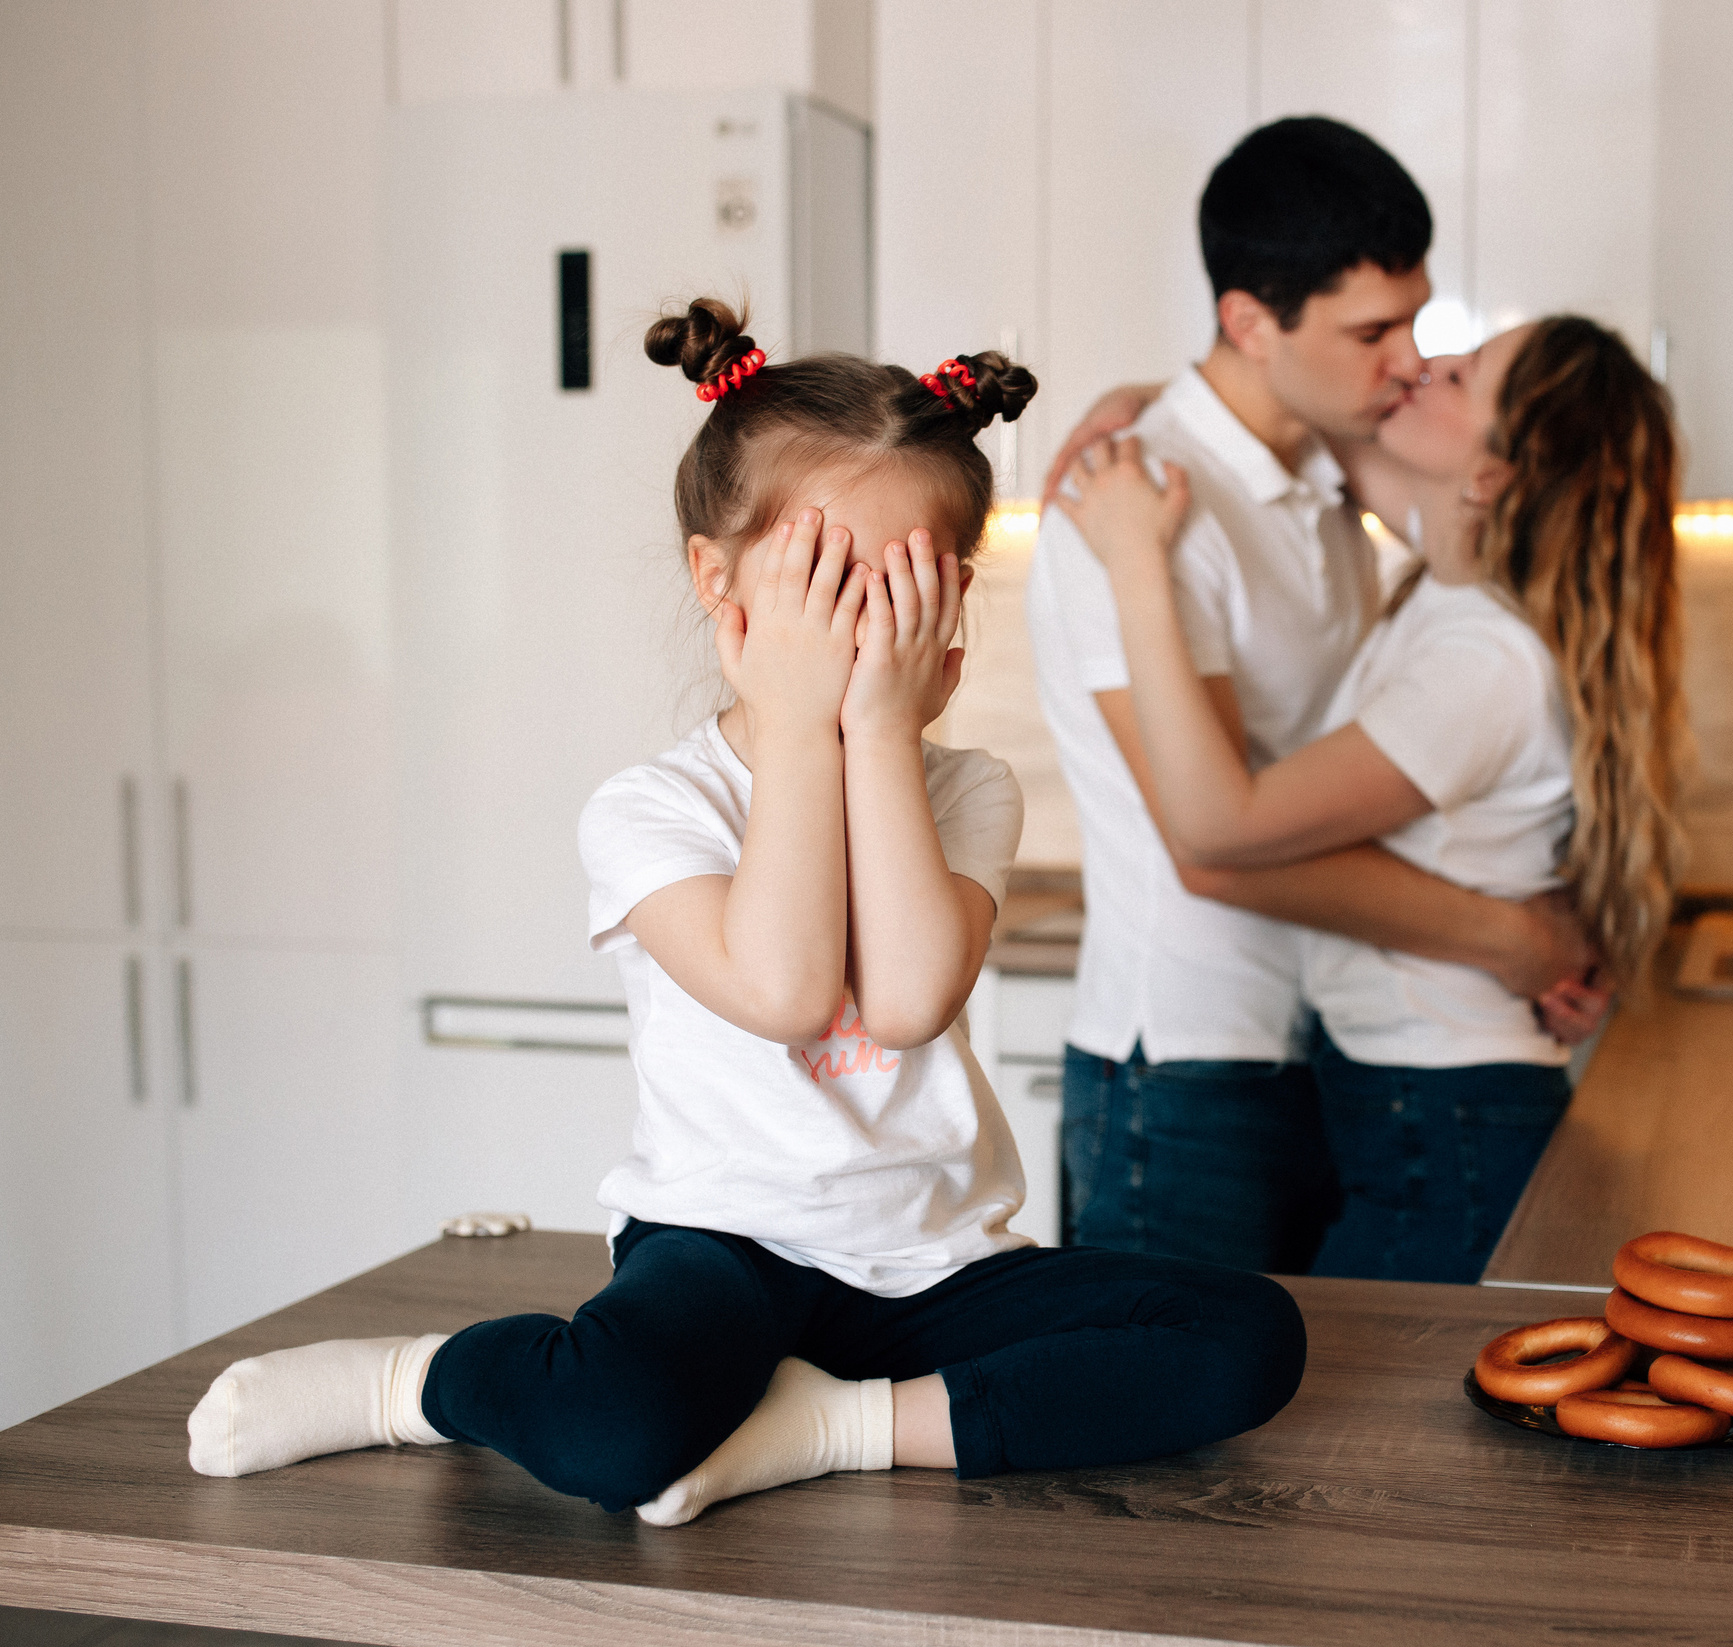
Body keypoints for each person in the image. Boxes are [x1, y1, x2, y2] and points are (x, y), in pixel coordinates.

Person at [184, 299, 1305, 1523]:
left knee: (1247, 1337)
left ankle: (830, 1424)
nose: (861, 627)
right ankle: (417, 1382)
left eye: (901, 590)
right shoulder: (650, 810)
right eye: (827, 581)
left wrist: (875, 726)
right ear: (718, 583)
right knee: (616, 1436)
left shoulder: (964, 789)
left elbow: (912, 1000)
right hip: (724, 1244)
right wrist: (798, 725)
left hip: (933, 1263)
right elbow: (780, 992)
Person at [1029, 116, 1604, 1277]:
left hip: (1315, 1052)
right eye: (1371, 329)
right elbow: (1215, 847)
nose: (1405, 360)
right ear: (1250, 320)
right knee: (1170, 1450)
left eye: (1416, 319)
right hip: (1182, 1077)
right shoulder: (1131, 503)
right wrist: (1512, 938)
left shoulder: (1335, 478)